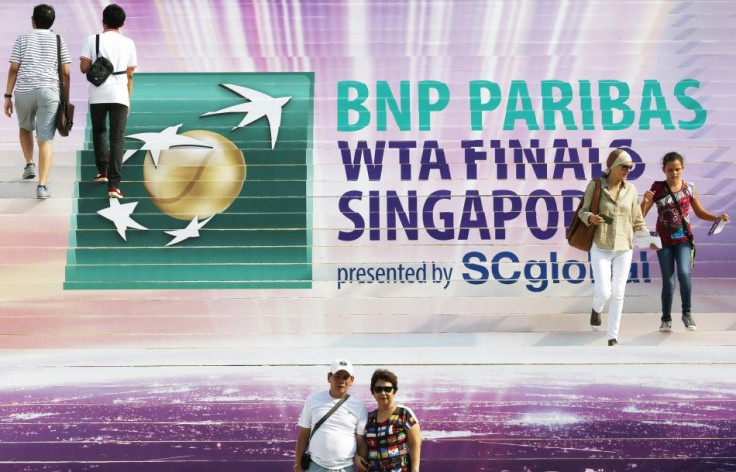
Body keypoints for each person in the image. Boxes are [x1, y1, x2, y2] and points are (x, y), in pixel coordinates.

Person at [641, 151, 730, 332]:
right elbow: (640, 215)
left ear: (683, 168)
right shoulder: (657, 188)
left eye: (678, 169)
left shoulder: (689, 188)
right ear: (664, 170)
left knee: (684, 274)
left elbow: (699, 212)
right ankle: (666, 319)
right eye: (670, 170)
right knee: (669, 281)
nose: (674, 173)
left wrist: (717, 218)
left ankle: (687, 314)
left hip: (684, 240)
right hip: (663, 242)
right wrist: (645, 201)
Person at [579, 148, 656, 346]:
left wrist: (649, 241)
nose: (628, 170)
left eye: (630, 167)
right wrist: (591, 218)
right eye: (624, 166)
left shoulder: (631, 190)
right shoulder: (595, 186)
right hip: (601, 244)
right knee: (604, 292)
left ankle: (612, 336)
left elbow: (637, 221)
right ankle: (596, 309)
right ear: (613, 167)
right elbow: (583, 211)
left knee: (619, 292)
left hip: (624, 246)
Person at [4, 4, 71, 199]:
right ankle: (41, 186)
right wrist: (65, 98)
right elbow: (66, 72)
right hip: (49, 92)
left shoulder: (23, 38)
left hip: (24, 91)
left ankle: (30, 163)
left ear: (33, 20)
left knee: (25, 128)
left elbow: (14, 68)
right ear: (52, 22)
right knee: (45, 141)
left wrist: (7, 96)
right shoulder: (59, 40)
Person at [79, 3, 137, 199]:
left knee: (99, 131)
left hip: (98, 93)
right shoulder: (128, 43)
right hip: (120, 95)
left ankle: (102, 171)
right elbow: (130, 75)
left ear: (103, 21)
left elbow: (84, 68)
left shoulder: (92, 39)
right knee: (117, 138)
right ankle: (114, 185)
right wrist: (128, 99)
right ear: (122, 23)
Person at [295, 359, 368, 472]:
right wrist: (297, 465)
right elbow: (304, 434)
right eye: (337, 376)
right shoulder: (312, 400)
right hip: (315, 466)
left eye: (345, 377)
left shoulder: (359, 407)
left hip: (345, 468)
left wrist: (363, 465)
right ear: (329, 377)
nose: (341, 381)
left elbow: (361, 441)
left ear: (352, 380)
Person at [358, 369, 421, 472]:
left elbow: (415, 444)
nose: (383, 393)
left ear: (394, 391)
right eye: (378, 389)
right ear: (373, 392)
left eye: (387, 389)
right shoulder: (368, 418)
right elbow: (363, 446)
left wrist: (415, 470)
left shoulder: (404, 413)